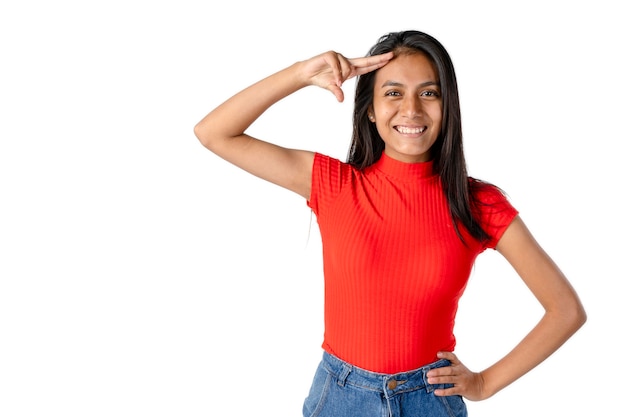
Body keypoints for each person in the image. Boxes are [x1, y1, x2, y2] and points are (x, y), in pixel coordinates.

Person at [194, 30, 586, 417]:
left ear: (448, 106)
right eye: (393, 93)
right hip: (340, 399)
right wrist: (300, 73)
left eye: (429, 93)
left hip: (430, 401)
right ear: (369, 108)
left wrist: (484, 383)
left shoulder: (477, 204)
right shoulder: (334, 185)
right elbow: (213, 133)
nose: (411, 109)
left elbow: (566, 310)